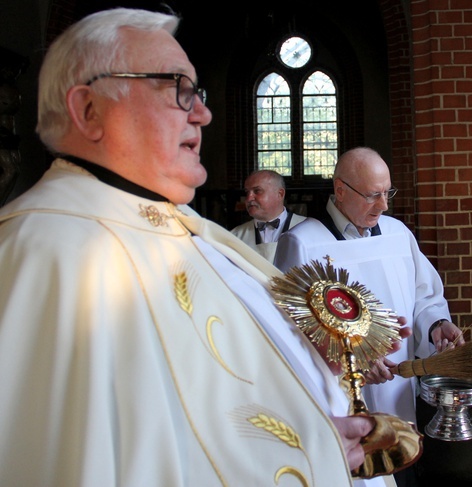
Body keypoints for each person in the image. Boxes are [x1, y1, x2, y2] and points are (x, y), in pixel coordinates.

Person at [0, 9, 396, 486]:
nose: (203, 113)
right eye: (176, 88)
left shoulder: (187, 225)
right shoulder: (42, 249)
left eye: (198, 92)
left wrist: (317, 357)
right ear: (89, 109)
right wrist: (301, 452)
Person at [275, 147, 464, 485]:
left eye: (387, 192)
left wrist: (437, 324)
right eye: (373, 195)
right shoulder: (302, 243)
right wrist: (352, 364)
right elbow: (287, 332)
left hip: (400, 393)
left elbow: (424, 296)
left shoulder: (397, 235)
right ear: (341, 189)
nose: (384, 205)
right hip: (343, 404)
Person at [231, 169, 306, 261]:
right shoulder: (234, 236)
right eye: (247, 192)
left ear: (280, 194)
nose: (249, 198)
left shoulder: (308, 229)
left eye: (257, 191)